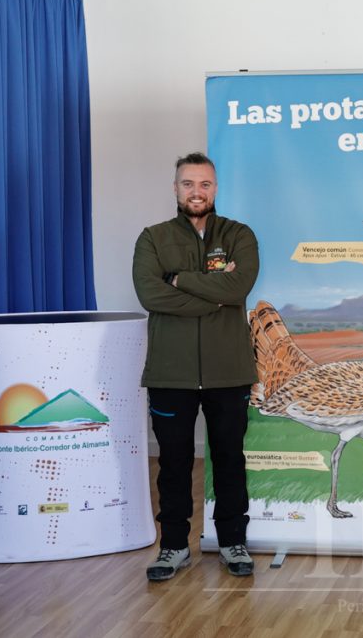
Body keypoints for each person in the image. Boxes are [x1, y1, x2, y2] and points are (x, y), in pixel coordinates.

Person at [132, 152, 259, 581]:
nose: (196, 192)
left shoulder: (239, 235)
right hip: (171, 373)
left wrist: (180, 279)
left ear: (215, 188)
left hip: (229, 371)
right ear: (176, 189)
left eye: (204, 184)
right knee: (173, 463)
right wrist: (213, 298)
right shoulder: (152, 238)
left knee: (229, 459)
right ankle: (173, 547)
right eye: (188, 184)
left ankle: (232, 542)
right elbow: (150, 295)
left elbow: (238, 287)